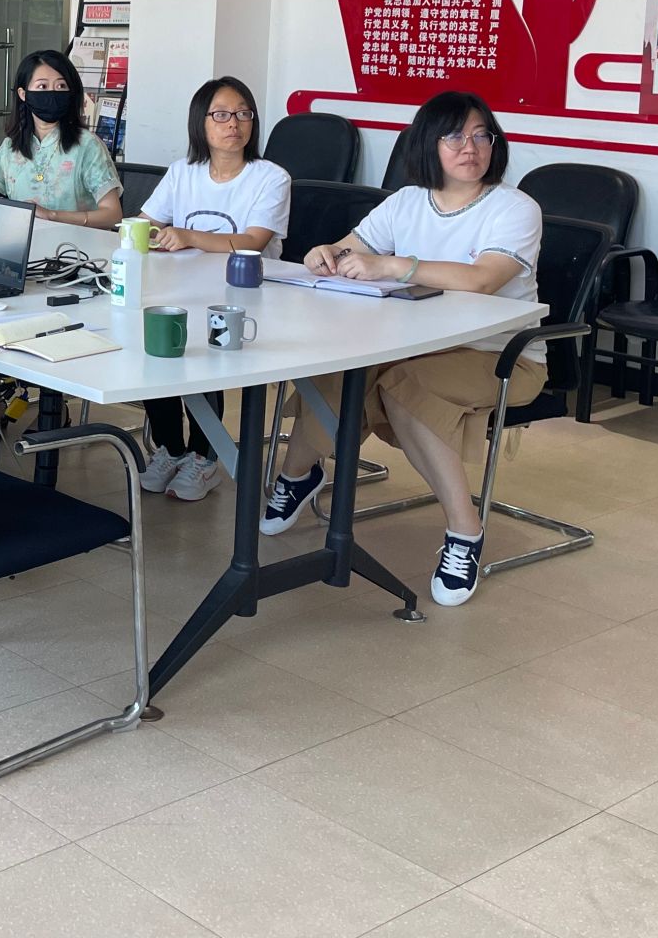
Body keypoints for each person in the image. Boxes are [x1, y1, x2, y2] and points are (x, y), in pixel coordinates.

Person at [261, 90, 545, 607]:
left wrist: (395, 265)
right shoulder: (408, 201)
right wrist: (328, 253)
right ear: (427, 144)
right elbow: (353, 246)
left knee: (402, 386)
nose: (470, 147)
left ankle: (465, 532)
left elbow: (483, 279)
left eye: (481, 135)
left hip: (499, 355)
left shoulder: (514, 208)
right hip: (412, 343)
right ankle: (297, 475)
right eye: (454, 136)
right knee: (340, 372)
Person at [136, 77, 291, 503]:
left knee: (205, 361)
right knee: (155, 352)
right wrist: (149, 234)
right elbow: (146, 222)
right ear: (200, 122)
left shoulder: (270, 177)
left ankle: (204, 459)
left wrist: (187, 235)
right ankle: (170, 450)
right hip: (179, 287)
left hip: (242, 296)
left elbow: (253, 241)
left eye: (243, 114)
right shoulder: (182, 172)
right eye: (221, 115)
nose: (233, 124)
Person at [0, 49, 123, 230]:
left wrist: (52, 216)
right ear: (23, 94)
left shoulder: (88, 145)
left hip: (74, 245)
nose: (52, 93)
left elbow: (113, 215)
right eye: (42, 86)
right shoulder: (11, 146)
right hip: (21, 242)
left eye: (61, 86)